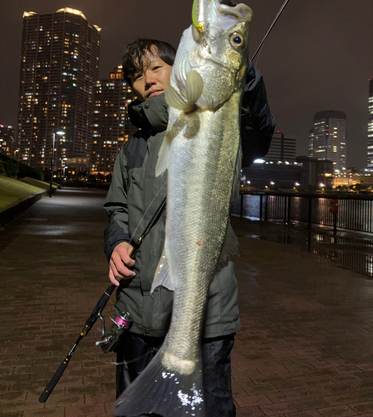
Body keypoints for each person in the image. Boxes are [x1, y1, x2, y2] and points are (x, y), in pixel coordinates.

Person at [104, 37, 275, 416]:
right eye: (135, 75)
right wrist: (115, 243)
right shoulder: (131, 148)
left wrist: (241, 71)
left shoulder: (211, 120)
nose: (145, 80)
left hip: (207, 317)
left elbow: (258, 135)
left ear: (179, 66)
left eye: (155, 67)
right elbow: (116, 209)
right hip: (137, 311)